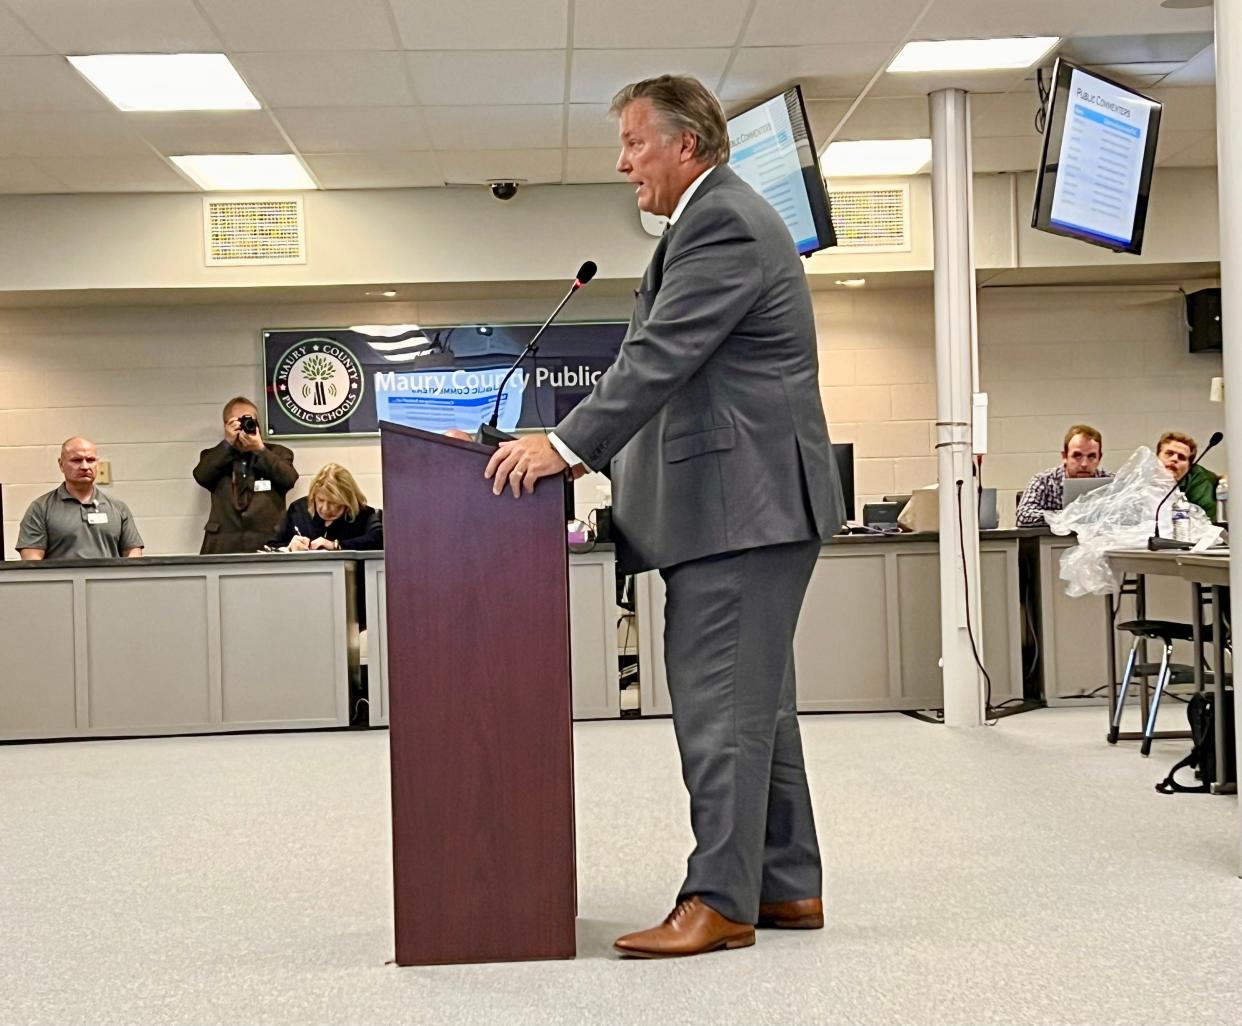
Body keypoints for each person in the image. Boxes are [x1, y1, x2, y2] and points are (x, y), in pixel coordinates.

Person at [482, 75, 846, 958]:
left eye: (636, 143)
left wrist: (565, 447)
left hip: (740, 509)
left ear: (688, 144)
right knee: (759, 707)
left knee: (720, 709)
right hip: (745, 507)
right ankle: (786, 884)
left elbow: (660, 357)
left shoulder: (722, 220)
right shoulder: (717, 219)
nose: (623, 162)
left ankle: (720, 899)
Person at [193, 396, 298, 554]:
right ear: (226, 425)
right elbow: (201, 476)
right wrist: (227, 444)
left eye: (248, 421)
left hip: (267, 543)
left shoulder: (278, 453)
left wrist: (260, 450)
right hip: (223, 545)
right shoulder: (214, 455)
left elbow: (289, 479)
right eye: (236, 422)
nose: (243, 426)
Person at [17, 437, 143, 560]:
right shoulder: (40, 508)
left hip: (107, 581)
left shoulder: (118, 508)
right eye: (76, 460)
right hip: (63, 581)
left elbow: (133, 553)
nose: (84, 466)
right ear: (61, 465)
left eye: (90, 460)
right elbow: (32, 562)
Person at [266, 463, 382, 551]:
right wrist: (289, 547)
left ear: (347, 501)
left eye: (333, 503)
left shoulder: (363, 514)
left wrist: (336, 545)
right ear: (313, 495)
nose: (325, 508)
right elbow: (271, 545)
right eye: (320, 500)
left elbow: (380, 539)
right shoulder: (298, 510)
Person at [1015, 424, 1110, 527]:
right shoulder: (1044, 481)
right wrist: (1069, 515)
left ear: (1099, 458)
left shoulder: (1112, 483)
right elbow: (1023, 516)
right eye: (1077, 456)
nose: (1084, 464)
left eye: (1091, 457)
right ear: (1065, 457)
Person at [1156, 431, 1218, 519]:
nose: (1174, 459)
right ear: (1157, 457)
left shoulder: (1201, 483)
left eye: (1181, 457)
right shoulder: (1143, 477)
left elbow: (1207, 524)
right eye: (1169, 453)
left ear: (1189, 467)